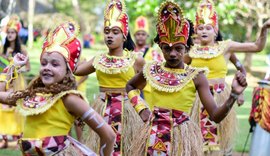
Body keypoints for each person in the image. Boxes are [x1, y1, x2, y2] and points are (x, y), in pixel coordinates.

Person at [126, 1, 247, 155]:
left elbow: (215, 116)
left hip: (182, 139)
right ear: (160, 47)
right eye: (167, 48)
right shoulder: (152, 70)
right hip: (153, 136)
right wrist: (141, 109)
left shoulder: (196, 76)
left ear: (187, 47)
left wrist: (234, 96)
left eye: (178, 48)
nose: (173, 54)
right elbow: (130, 86)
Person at [0, 20, 115, 155]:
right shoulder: (31, 96)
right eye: (43, 63)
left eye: (55, 64)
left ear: (67, 70)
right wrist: (12, 67)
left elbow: (109, 135)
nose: (47, 68)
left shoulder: (69, 99)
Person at [183, 0, 270, 155]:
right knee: (198, 143)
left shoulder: (226, 47)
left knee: (219, 143)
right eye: (200, 28)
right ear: (196, 31)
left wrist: (263, 29)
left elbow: (257, 47)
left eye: (208, 28)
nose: (204, 31)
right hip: (196, 101)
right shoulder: (191, 52)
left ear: (215, 31)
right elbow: (176, 68)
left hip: (220, 100)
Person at [74, 0, 145, 155]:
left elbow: (145, 86)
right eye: (107, 32)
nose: (110, 36)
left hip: (128, 111)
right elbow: (77, 70)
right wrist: (69, 52)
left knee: (127, 149)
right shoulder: (98, 59)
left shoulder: (136, 60)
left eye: (115, 32)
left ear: (124, 35)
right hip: (102, 109)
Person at [0, 15, 30, 149]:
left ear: (17, 34)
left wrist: (17, 68)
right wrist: (6, 59)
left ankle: (20, 138)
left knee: (17, 108)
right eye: (8, 32)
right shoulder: (2, 48)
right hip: (5, 81)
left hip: (17, 82)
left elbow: (28, 68)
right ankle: (4, 138)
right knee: (3, 108)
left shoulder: (22, 49)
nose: (10, 35)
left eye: (13, 32)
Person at [133, 15, 163, 105]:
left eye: (143, 34)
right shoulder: (130, 52)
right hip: (132, 89)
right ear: (134, 35)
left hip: (148, 91)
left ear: (147, 36)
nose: (140, 36)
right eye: (138, 34)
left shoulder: (154, 53)